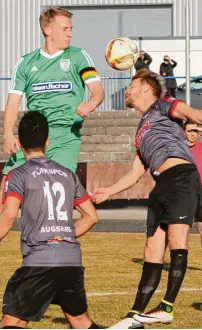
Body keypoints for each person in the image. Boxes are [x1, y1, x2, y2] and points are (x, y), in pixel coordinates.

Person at [0, 7, 104, 288]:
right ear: (48, 29)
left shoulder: (78, 57)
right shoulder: (27, 62)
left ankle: (53, 258)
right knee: (2, 196)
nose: (70, 32)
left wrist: (90, 104)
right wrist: (8, 132)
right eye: (65, 27)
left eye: (70, 28)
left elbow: (97, 89)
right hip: (33, 138)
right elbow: (13, 102)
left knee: (57, 202)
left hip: (66, 137)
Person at [92, 68, 202, 328]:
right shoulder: (141, 128)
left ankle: (166, 307)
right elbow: (135, 172)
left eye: (132, 86)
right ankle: (134, 315)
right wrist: (108, 191)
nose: (127, 91)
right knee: (151, 249)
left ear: (145, 88)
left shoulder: (163, 105)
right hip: (161, 184)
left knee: (177, 240)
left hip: (181, 177)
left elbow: (189, 113)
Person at [0, 112, 99, 329]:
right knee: (79, 321)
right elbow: (91, 216)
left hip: (40, 262)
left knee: (12, 321)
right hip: (71, 260)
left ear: (19, 142)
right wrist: (63, 235)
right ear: (47, 142)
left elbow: (8, 215)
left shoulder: (18, 175)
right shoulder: (67, 174)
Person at [184, 120, 202, 241]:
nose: (193, 134)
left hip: (201, 190)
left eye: (195, 131)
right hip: (184, 192)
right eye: (189, 131)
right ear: (183, 132)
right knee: (181, 230)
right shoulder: (178, 148)